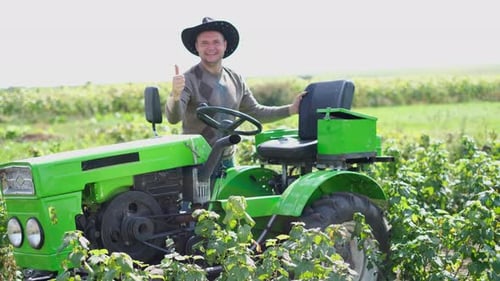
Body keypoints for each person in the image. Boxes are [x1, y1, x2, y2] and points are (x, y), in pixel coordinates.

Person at [166, 17, 304, 170]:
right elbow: (173, 118)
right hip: (197, 160)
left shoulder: (235, 79)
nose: (211, 47)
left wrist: (291, 109)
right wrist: (175, 96)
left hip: (227, 158)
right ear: (196, 46)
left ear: (225, 45)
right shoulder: (188, 80)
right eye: (204, 43)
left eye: (216, 42)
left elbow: (255, 112)